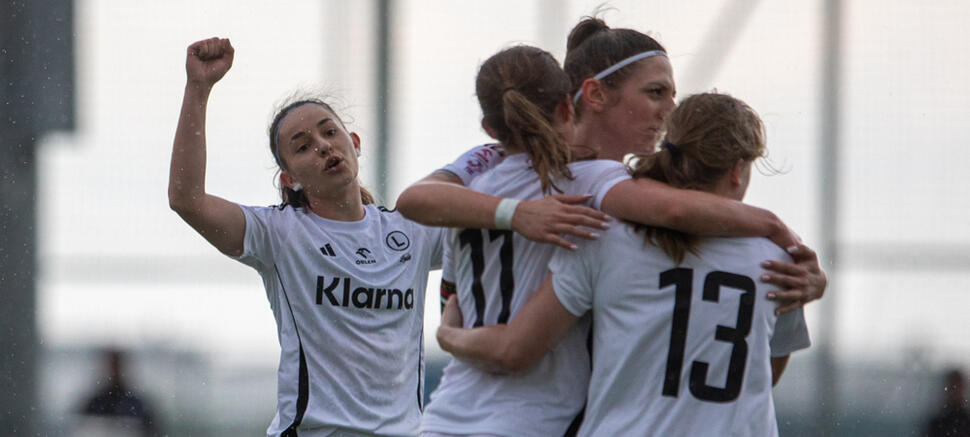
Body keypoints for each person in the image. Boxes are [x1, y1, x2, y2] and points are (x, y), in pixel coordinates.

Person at [402, 38, 815, 436]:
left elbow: (422, 217)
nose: (669, 108)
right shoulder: (597, 194)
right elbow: (672, 209)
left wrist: (449, 334)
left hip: (446, 414)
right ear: (581, 99)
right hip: (535, 421)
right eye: (656, 92)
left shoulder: (477, 179)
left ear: (491, 127)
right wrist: (780, 234)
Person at [169, 37, 450, 437]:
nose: (322, 146)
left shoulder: (410, 232)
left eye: (329, 133)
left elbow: (496, 231)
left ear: (353, 143)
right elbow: (186, 199)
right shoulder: (280, 235)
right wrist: (198, 89)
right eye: (303, 147)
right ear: (291, 179)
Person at [75, 349, 158, 437]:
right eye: (112, 365)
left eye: (116, 365)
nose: (113, 371)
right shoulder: (95, 402)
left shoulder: (136, 403)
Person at [926, 368, 970, 437]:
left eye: (958, 387)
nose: (956, 391)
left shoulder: (938, 422)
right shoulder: (938, 422)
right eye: (953, 387)